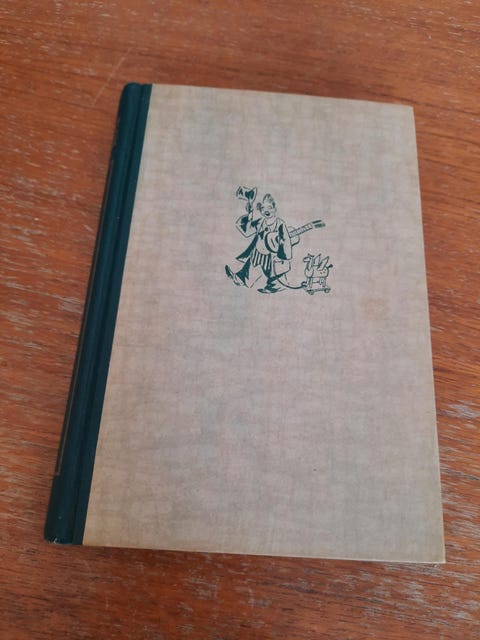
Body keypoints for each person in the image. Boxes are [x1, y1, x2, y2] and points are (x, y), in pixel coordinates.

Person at [225, 193, 294, 293]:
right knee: (251, 266)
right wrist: (250, 213)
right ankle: (240, 279)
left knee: (274, 272)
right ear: (261, 211)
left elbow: (284, 239)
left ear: (275, 209)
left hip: (272, 254)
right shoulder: (260, 222)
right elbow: (248, 230)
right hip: (258, 251)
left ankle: (276, 286)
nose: (266, 211)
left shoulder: (280, 223)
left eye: (269, 208)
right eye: (263, 208)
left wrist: (282, 255)